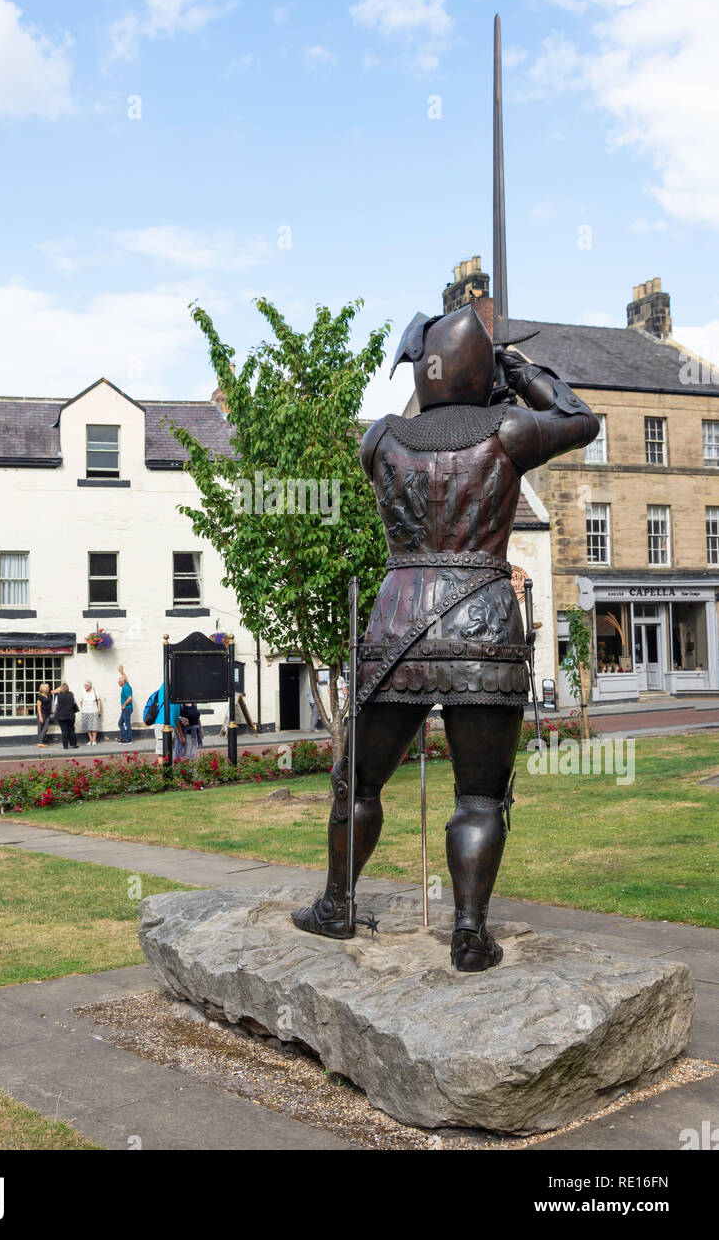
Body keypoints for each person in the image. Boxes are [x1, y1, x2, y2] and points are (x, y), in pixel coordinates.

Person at [292, 303, 600, 971]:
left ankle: (337, 905)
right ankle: (467, 929)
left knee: (358, 783)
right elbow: (581, 418)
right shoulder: (511, 429)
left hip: (397, 623)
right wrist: (517, 371)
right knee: (480, 796)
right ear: (482, 369)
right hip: (483, 626)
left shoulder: (379, 437)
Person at [150, 683, 181, 759]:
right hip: (162, 724)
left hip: (171, 725)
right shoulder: (165, 686)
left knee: (168, 753)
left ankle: (167, 770)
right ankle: (161, 771)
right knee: (162, 754)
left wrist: (180, 718)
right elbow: (170, 677)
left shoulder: (173, 697)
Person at [53, 682, 79, 749]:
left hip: (61, 716)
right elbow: (74, 703)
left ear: (61, 689)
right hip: (70, 715)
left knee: (64, 731)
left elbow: (55, 705)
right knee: (71, 730)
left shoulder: (58, 696)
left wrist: (54, 712)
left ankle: (65, 746)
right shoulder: (71, 695)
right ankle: (73, 744)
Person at [118, 666, 134, 742]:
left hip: (127, 708)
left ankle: (128, 738)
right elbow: (125, 678)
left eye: (119, 681)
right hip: (126, 708)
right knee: (120, 723)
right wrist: (122, 672)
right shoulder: (126, 685)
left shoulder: (125, 688)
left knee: (127, 723)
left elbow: (130, 698)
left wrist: (124, 705)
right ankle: (124, 737)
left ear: (122, 682)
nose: (118, 682)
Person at [35, 683, 52, 748]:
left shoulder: (48, 695)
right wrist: (40, 717)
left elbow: (56, 691)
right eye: (48, 687)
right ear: (44, 688)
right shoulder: (40, 696)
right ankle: (40, 742)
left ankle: (40, 742)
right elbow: (38, 707)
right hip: (42, 714)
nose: (49, 688)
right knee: (40, 728)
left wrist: (63, 684)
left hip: (47, 714)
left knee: (46, 728)